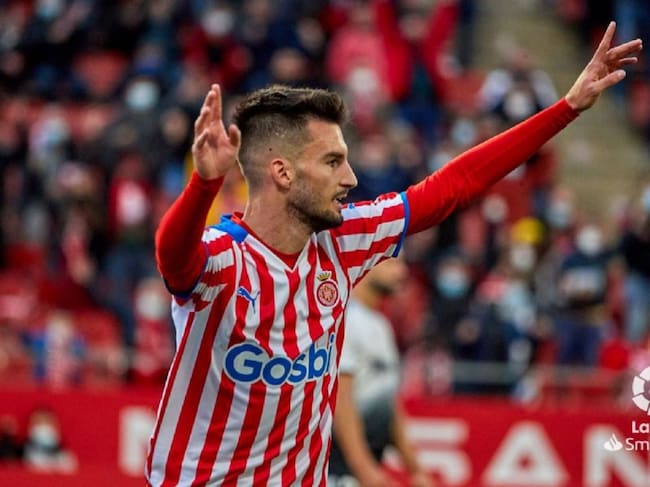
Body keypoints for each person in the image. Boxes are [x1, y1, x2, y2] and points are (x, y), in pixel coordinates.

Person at [145, 22, 641, 486]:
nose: (350, 178)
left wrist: (567, 107)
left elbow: (452, 187)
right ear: (282, 173)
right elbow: (173, 257)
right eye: (333, 161)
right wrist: (204, 185)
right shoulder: (223, 260)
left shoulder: (342, 240)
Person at [329, 257, 432, 487]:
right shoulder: (346, 319)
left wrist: (415, 469)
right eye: (391, 263)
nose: (401, 272)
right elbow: (340, 401)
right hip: (337, 470)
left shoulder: (380, 325)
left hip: (368, 465)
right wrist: (365, 471)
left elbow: (389, 402)